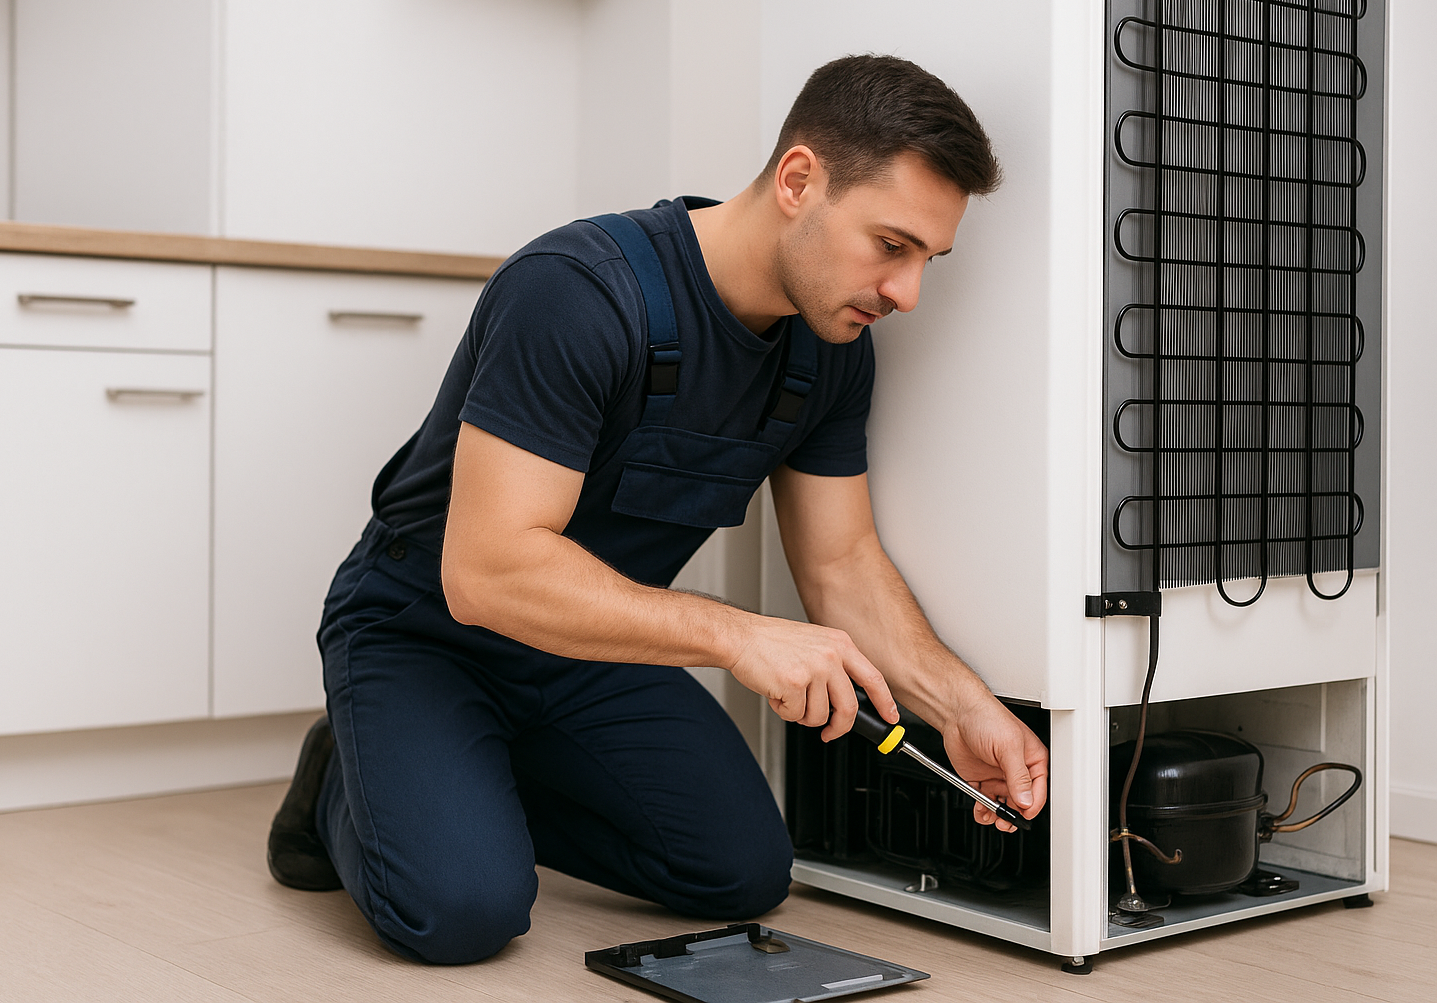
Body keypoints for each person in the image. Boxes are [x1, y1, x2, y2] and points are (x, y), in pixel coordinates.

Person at [266, 53, 1049, 965]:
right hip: (427, 629)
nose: (907, 293)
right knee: (462, 911)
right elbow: (486, 574)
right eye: (891, 245)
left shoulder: (831, 350)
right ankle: (345, 786)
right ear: (799, 180)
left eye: (928, 259)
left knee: (744, 873)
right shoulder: (577, 291)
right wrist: (739, 636)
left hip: (591, 651)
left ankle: (454, 782)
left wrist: (960, 707)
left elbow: (841, 567)